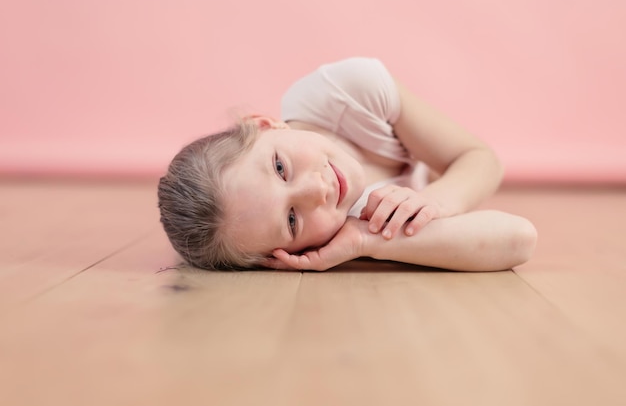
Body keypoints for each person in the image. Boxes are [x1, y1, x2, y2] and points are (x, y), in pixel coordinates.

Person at [158, 57, 537, 272]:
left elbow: (476, 158)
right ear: (285, 256)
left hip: (444, 169)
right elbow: (519, 239)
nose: (316, 191)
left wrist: (438, 202)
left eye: (279, 168)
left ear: (263, 124)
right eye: (291, 220)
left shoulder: (349, 91)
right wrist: (368, 241)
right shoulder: (345, 226)